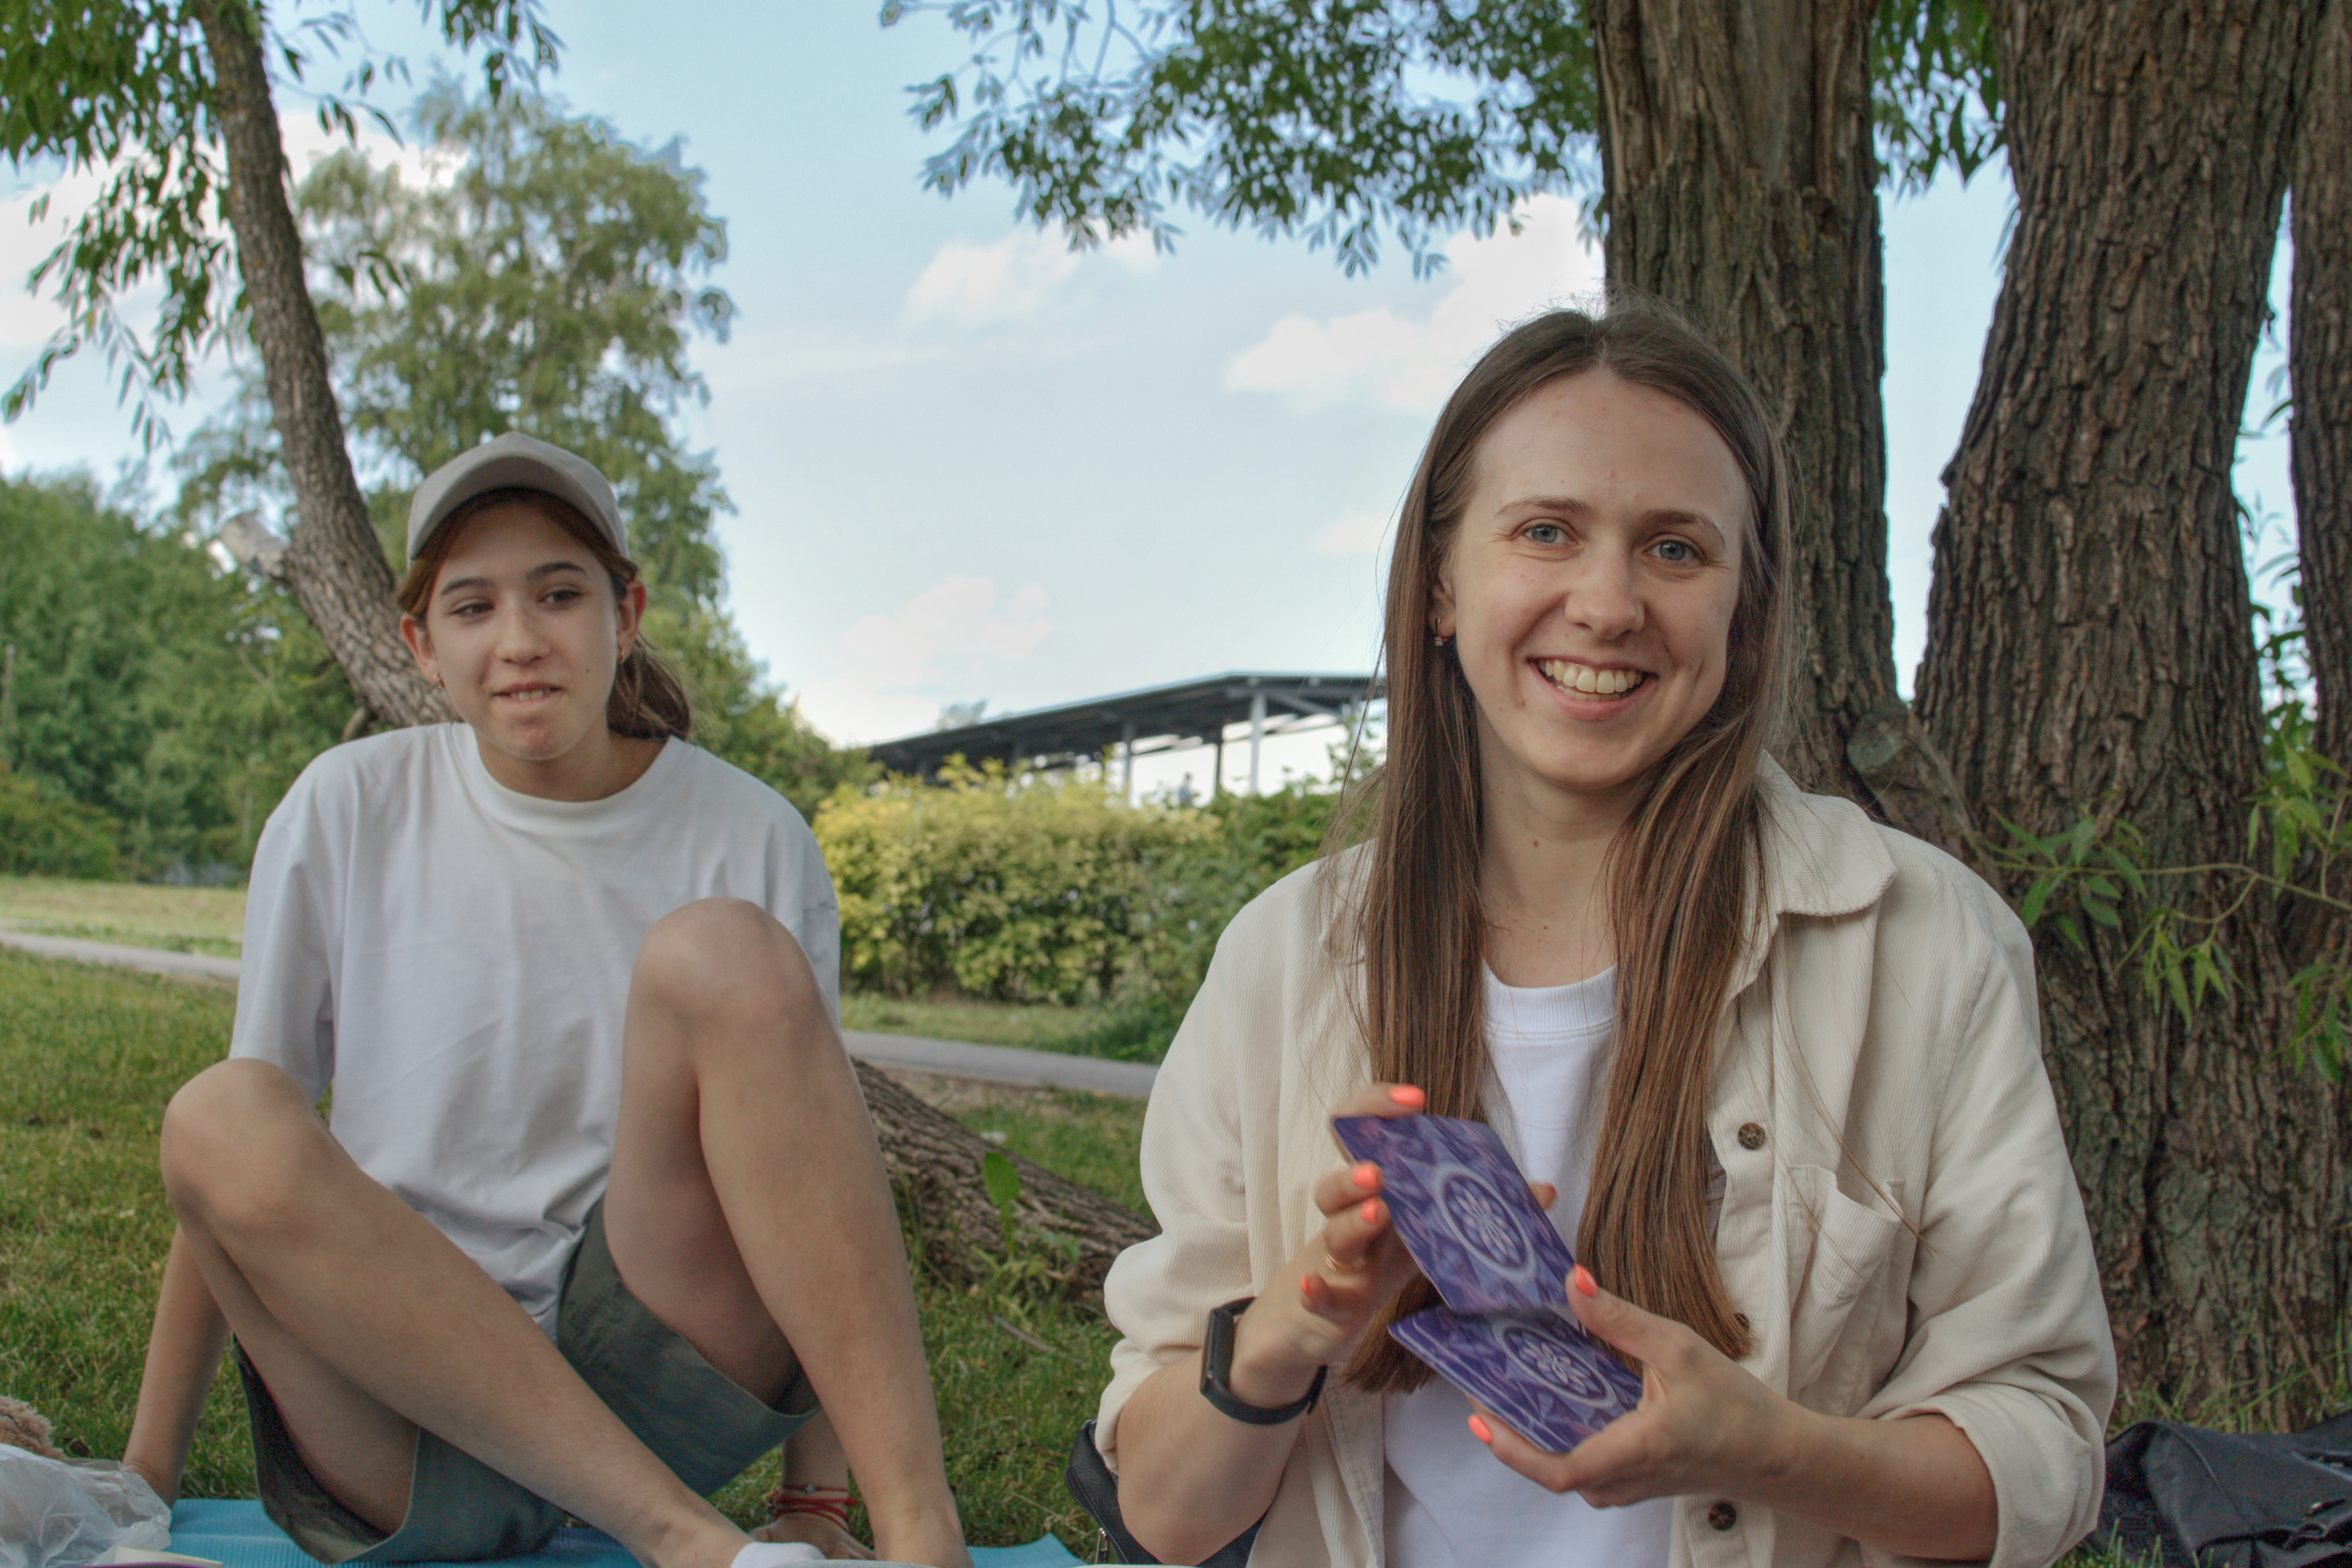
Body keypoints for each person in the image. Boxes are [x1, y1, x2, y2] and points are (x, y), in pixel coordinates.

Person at [1091, 301, 2117, 1568]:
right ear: (1437, 585)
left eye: (1677, 549)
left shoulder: (1924, 941)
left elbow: (2046, 1456)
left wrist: (1767, 1446)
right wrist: (1292, 1328)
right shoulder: (1280, 960)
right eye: (1545, 531)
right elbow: (1165, 1513)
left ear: (1744, 619)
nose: (1610, 601)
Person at [120, 434, 970, 1568]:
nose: (520, 641)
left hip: (659, 1389)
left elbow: (816, 1200)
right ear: (421, 645)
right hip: (403, 1420)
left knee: (722, 953)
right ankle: (685, 1547)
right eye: (472, 608)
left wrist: (819, 1506)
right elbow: (224, 1191)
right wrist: (142, 1481)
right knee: (220, 1110)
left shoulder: (749, 833)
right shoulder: (347, 808)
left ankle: (928, 1546)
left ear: (626, 611)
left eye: (559, 594)